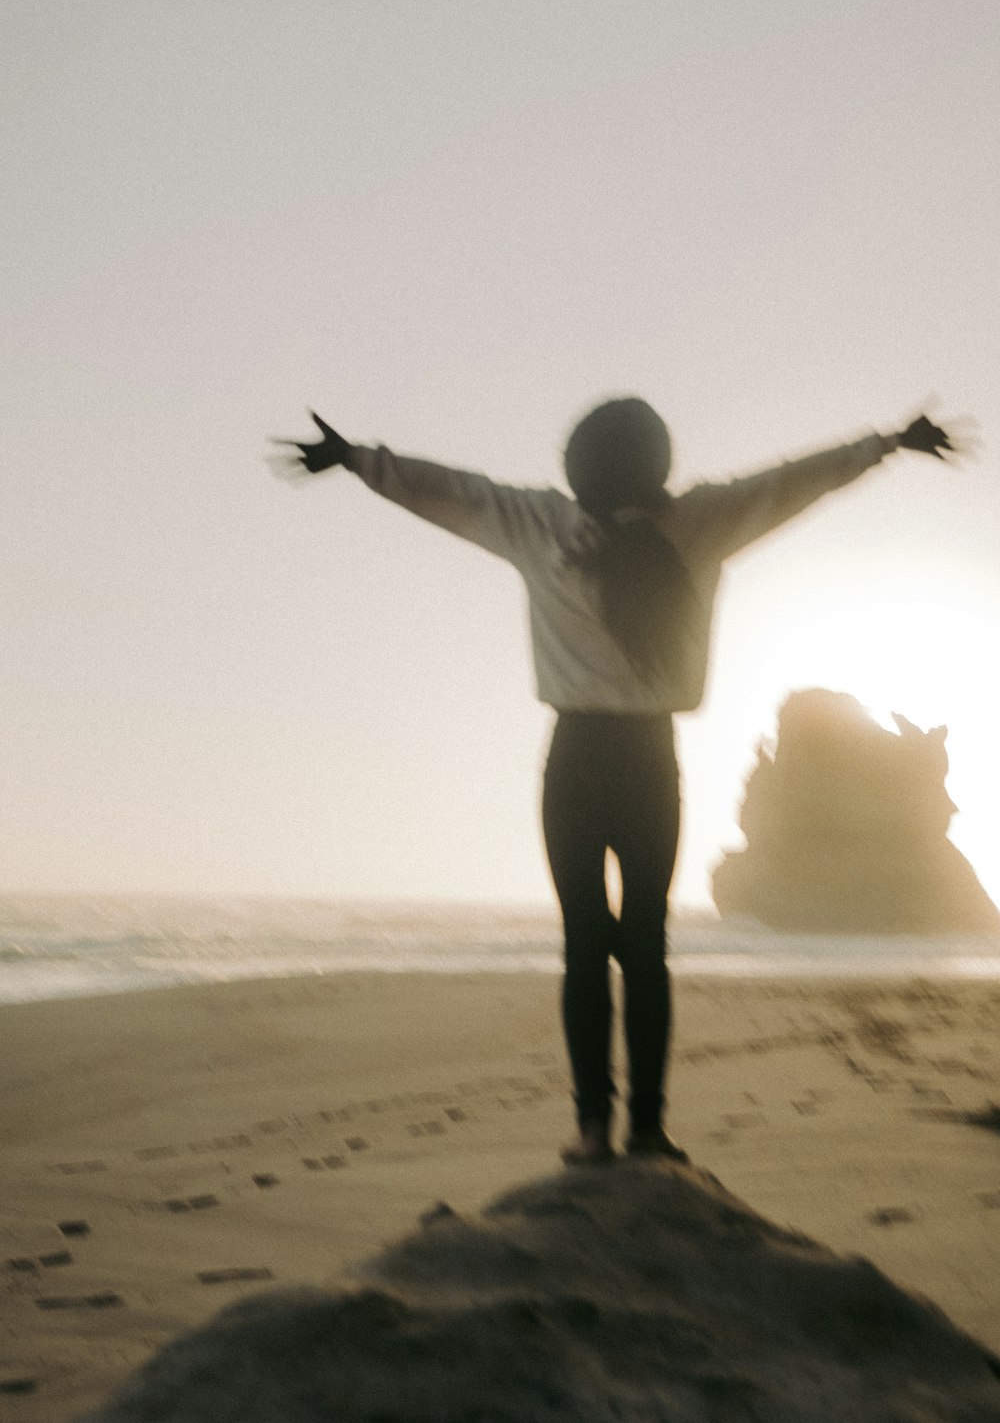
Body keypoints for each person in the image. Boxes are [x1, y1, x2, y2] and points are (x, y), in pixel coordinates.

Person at [274, 400, 956, 1165]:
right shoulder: (699, 521)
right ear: (657, 463)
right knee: (643, 948)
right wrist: (887, 443)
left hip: (574, 756)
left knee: (584, 946)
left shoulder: (542, 526)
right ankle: (650, 1130)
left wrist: (356, 458)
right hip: (648, 759)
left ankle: (593, 1129)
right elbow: (793, 482)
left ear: (577, 468)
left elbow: (449, 491)